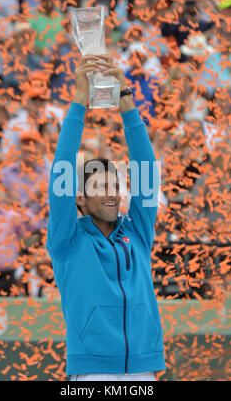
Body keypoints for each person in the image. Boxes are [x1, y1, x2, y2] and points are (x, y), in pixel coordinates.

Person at [46, 54, 165, 381]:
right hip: (91, 372)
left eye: (115, 184)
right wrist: (79, 101)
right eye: (100, 186)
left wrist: (125, 99)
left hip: (143, 369)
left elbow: (147, 175)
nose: (112, 192)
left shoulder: (137, 232)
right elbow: (62, 171)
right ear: (79, 198)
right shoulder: (67, 240)